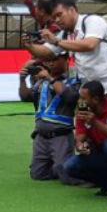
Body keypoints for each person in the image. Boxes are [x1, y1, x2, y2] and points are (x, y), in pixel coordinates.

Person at [25, 0, 107, 99]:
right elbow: (47, 53)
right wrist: (28, 45)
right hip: (92, 90)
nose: (56, 20)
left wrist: (56, 41)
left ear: (72, 10)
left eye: (59, 15)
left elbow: (90, 44)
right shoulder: (65, 34)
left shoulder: (92, 21)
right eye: (54, 18)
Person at [63, 80, 107, 203]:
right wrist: (80, 146)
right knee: (69, 166)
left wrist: (95, 122)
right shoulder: (83, 112)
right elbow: (80, 137)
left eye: (83, 98)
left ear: (95, 99)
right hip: (101, 155)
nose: (80, 102)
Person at [18, 53, 80, 184]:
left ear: (66, 59)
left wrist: (50, 78)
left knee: (66, 176)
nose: (51, 63)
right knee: (37, 174)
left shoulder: (74, 78)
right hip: (41, 135)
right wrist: (22, 79)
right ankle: (57, 164)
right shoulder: (40, 78)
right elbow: (26, 97)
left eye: (55, 59)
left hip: (61, 134)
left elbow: (70, 97)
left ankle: (76, 169)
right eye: (48, 60)